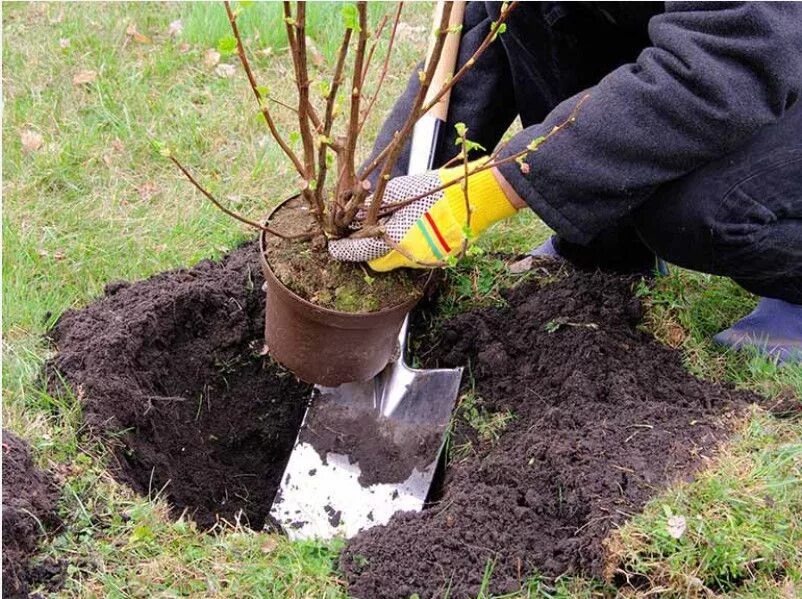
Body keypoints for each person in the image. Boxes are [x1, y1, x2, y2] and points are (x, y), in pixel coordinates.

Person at [329, 2, 802, 363]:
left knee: (696, 212)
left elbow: (733, 55)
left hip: (762, 50)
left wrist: (503, 182)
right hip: (736, 48)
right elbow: (488, 31)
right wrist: (387, 192)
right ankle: (604, 243)